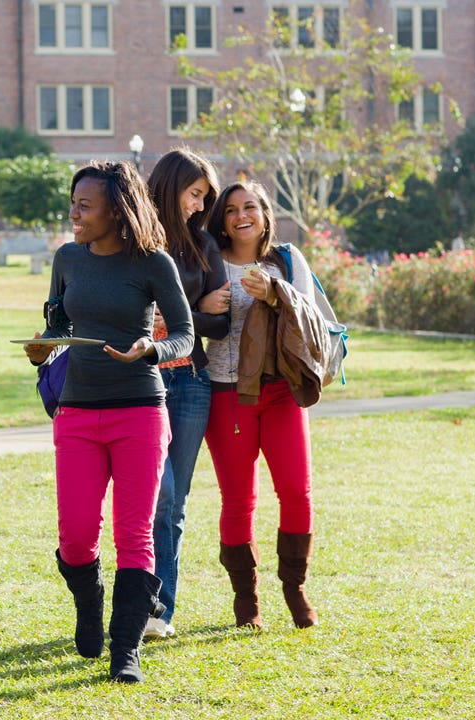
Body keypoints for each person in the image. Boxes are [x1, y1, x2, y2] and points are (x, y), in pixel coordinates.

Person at [23, 160, 193, 684]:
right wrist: (39, 348)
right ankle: (89, 604)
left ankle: (126, 651)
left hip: (139, 410)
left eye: (84, 206)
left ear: (117, 211)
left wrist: (150, 349)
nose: (73, 214)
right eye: (72, 203)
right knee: (76, 537)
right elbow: (57, 324)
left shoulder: (153, 263)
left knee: (135, 533)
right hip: (77, 411)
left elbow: (185, 336)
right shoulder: (67, 259)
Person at [203, 180, 320, 630]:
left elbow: (310, 320)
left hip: (279, 390)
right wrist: (204, 302)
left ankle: (295, 587)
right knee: (238, 499)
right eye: (230, 209)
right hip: (226, 393)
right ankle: (246, 600)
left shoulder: (287, 260)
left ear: (265, 214)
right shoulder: (207, 261)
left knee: (296, 491)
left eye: (249, 206)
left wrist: (275, 293)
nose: (240, 215)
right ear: (223, 220)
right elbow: (180, 315)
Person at [142, 149, 230, 640]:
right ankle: (142, 601)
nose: (200, 206)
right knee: (158, 497)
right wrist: (194, 309)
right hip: (143, 381)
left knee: (174, 506)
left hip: (192, 381)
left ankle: (159, 611)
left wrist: (186, 316)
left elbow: (221, 319)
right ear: (171, 185)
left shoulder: (202, 246)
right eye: (195, 194)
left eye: (205, 197)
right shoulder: (134, 237)